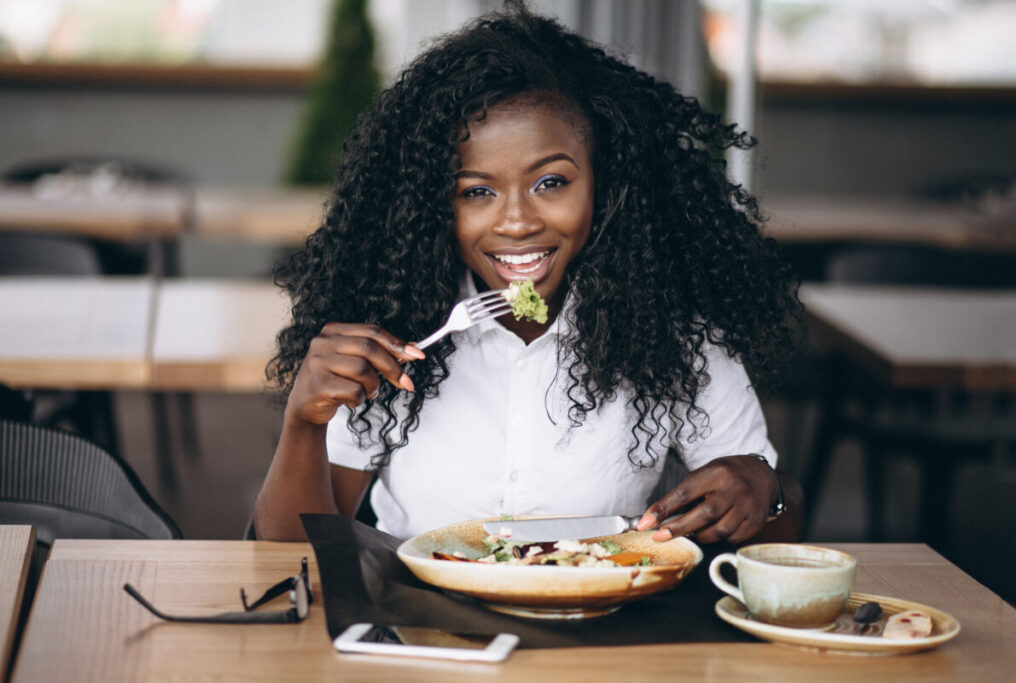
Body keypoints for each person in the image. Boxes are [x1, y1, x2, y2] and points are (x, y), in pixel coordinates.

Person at [253, 2, 803, 544]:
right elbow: (289, 552)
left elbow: (779, 523)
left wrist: (764, 490)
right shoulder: (394, 336)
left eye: (551, 183)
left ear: (605, 186)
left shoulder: (672, 333)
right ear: (431, 204)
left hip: (603, 627)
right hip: (422, 625)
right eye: (477, 191)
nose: (516, 222)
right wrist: (304, 423)